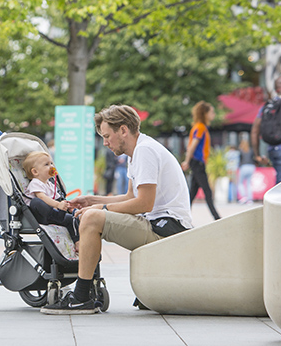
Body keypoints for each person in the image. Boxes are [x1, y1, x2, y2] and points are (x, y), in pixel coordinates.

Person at [41, 105, 192, 315]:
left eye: (107, 136)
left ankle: (81, 297)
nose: (105, 143)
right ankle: (86, 292)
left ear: (123, 130)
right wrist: (91, 200)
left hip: (167, 230)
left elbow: (144, 204)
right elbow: (131, 197)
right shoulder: (138, 152)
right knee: (92, 213)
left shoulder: (145, 151)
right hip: (161, 225)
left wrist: (99, 208)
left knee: (92, 219)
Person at [22, 151, 78, 243]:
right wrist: (58, 205)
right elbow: (42, 197)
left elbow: (58, 199)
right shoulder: (35, 182)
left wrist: (66, 205)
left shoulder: (50, 184)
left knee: (71, 219)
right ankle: (58, 216)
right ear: (35, 171)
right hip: (41, 215)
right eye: (46, 164)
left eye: (51, 163)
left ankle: (77, 241)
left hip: (54, 214)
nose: (51, 166)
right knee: (36, 201)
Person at [181, 101, 220, 220]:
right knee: (207, 191)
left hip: (197, 162)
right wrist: (187, 161)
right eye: (211, 112)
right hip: (197, 162)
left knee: (192, 192)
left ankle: (182, 216)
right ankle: (216, 217)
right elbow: (193, 145)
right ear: (205, 113)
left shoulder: (200, 127)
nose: (214, 114)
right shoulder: (200, 128)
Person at [237, 138, 256, 204]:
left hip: (244, 166)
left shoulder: (241, 151)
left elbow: (240, 160)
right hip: (251, 166)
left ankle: (244, 197)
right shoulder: (251, 150)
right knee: (248, 184)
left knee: (240, 183)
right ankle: (250, 199)